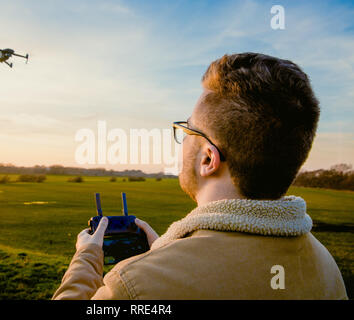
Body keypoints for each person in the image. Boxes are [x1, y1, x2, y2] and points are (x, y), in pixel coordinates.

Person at [53, 52, 348, 300]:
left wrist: (86, 258)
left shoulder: (135, 287)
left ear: (208, 158)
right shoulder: (325, 266)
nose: (183, 141)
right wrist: (168, 252)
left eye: (187, 130)